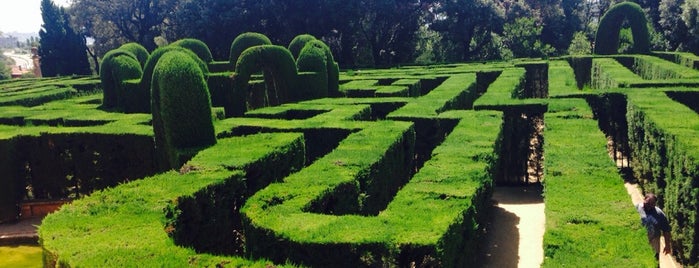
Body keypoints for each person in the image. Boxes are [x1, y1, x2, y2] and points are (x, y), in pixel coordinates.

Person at [636, 193, 672, 260]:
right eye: (647, 203)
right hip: (639, 240)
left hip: (654, 242)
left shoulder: (659, 214)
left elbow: (666, 230)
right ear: (644, 199)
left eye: (652, 204)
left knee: (654, 261)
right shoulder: (637, 208)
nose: (649, 206)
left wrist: (667, 245)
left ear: (655, 204)